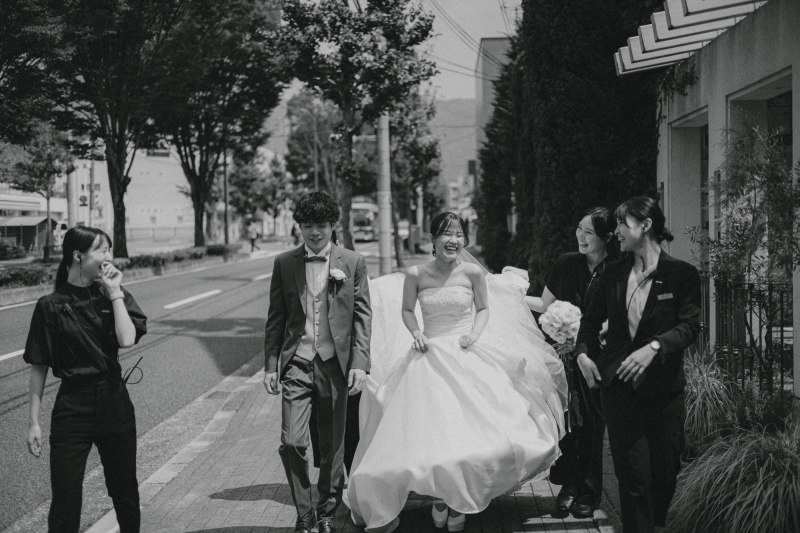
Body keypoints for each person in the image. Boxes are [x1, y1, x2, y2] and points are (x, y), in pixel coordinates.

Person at [345, 212, 567, 533]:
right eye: (447, 234)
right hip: (428, 356)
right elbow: (407, 310)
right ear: (434, 239)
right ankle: (441, 495)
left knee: (477, 433)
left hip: (468, 352)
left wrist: (476, 333)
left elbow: (484, 308)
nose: (454, 240)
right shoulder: (416, 274)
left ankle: (454, 497)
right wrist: (416, 332)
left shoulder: (473, 272)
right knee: (432, 434)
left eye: (459, 234)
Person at [574, 197, 701, 533]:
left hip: (664, 392)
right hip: (619, 390)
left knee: (664, 472)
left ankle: (654, 523)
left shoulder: (681, 275)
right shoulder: (613, 273)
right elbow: (590, 320)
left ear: (645, 226)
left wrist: (654, 347)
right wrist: (583, 353)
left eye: (622, 224)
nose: (615, 232)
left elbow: (689, 326)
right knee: (633, 480)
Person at [24, 226, 148, 533]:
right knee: (65, 499)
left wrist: (115, 291)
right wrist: (34, 422)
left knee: (124, 492)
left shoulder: (112, 293)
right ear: (79, 256)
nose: (109, 256)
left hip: (113, 399)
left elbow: (127, 339)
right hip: (72, 406)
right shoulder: (49, 306)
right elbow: (38, 365)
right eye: (102, 250)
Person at [263, 191, 371, 533]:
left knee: (333, 444)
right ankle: (304, 511)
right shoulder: (284, 263)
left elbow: (362, 318)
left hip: (336, 364)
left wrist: (359, 363)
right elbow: (275, 319)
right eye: (307, 225)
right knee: (292, 441)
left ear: (332, 225)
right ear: (300, 226)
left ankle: (326, 511)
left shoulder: (352, 262)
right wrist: (270, 366)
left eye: (321, 225)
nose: (314, 232)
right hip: (297, 362)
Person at [524, 207, 617, 518]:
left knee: (592, 425)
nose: (581, 235)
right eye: (579, 228)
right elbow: (543, 304)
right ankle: (568, 486)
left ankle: (589, 492)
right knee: (567, 421)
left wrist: (583, 334)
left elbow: (618, 317)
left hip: (598, 358)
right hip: (561, 358)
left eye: (589, 232)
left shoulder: (618, 269)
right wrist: (504, 293)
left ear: (607, 238)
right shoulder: (566, 263)